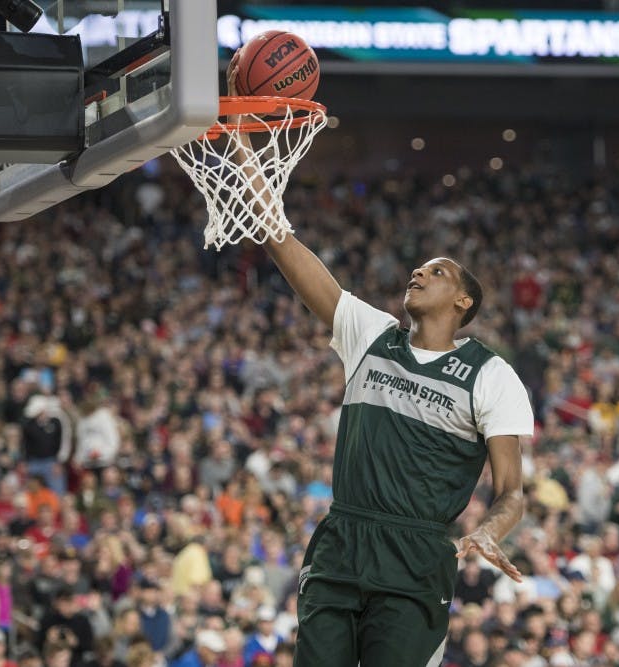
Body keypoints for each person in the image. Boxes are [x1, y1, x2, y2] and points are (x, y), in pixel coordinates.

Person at [225, 61, 534, 667]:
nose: (419, 272)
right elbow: (282, 238)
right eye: (419, 266)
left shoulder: (492, 375)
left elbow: (512, 492)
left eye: (438, 271)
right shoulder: (371, 333)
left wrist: (487, 534)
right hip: (343, 540)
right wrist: (240, 148)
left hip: (417, 556)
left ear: (463, 301)